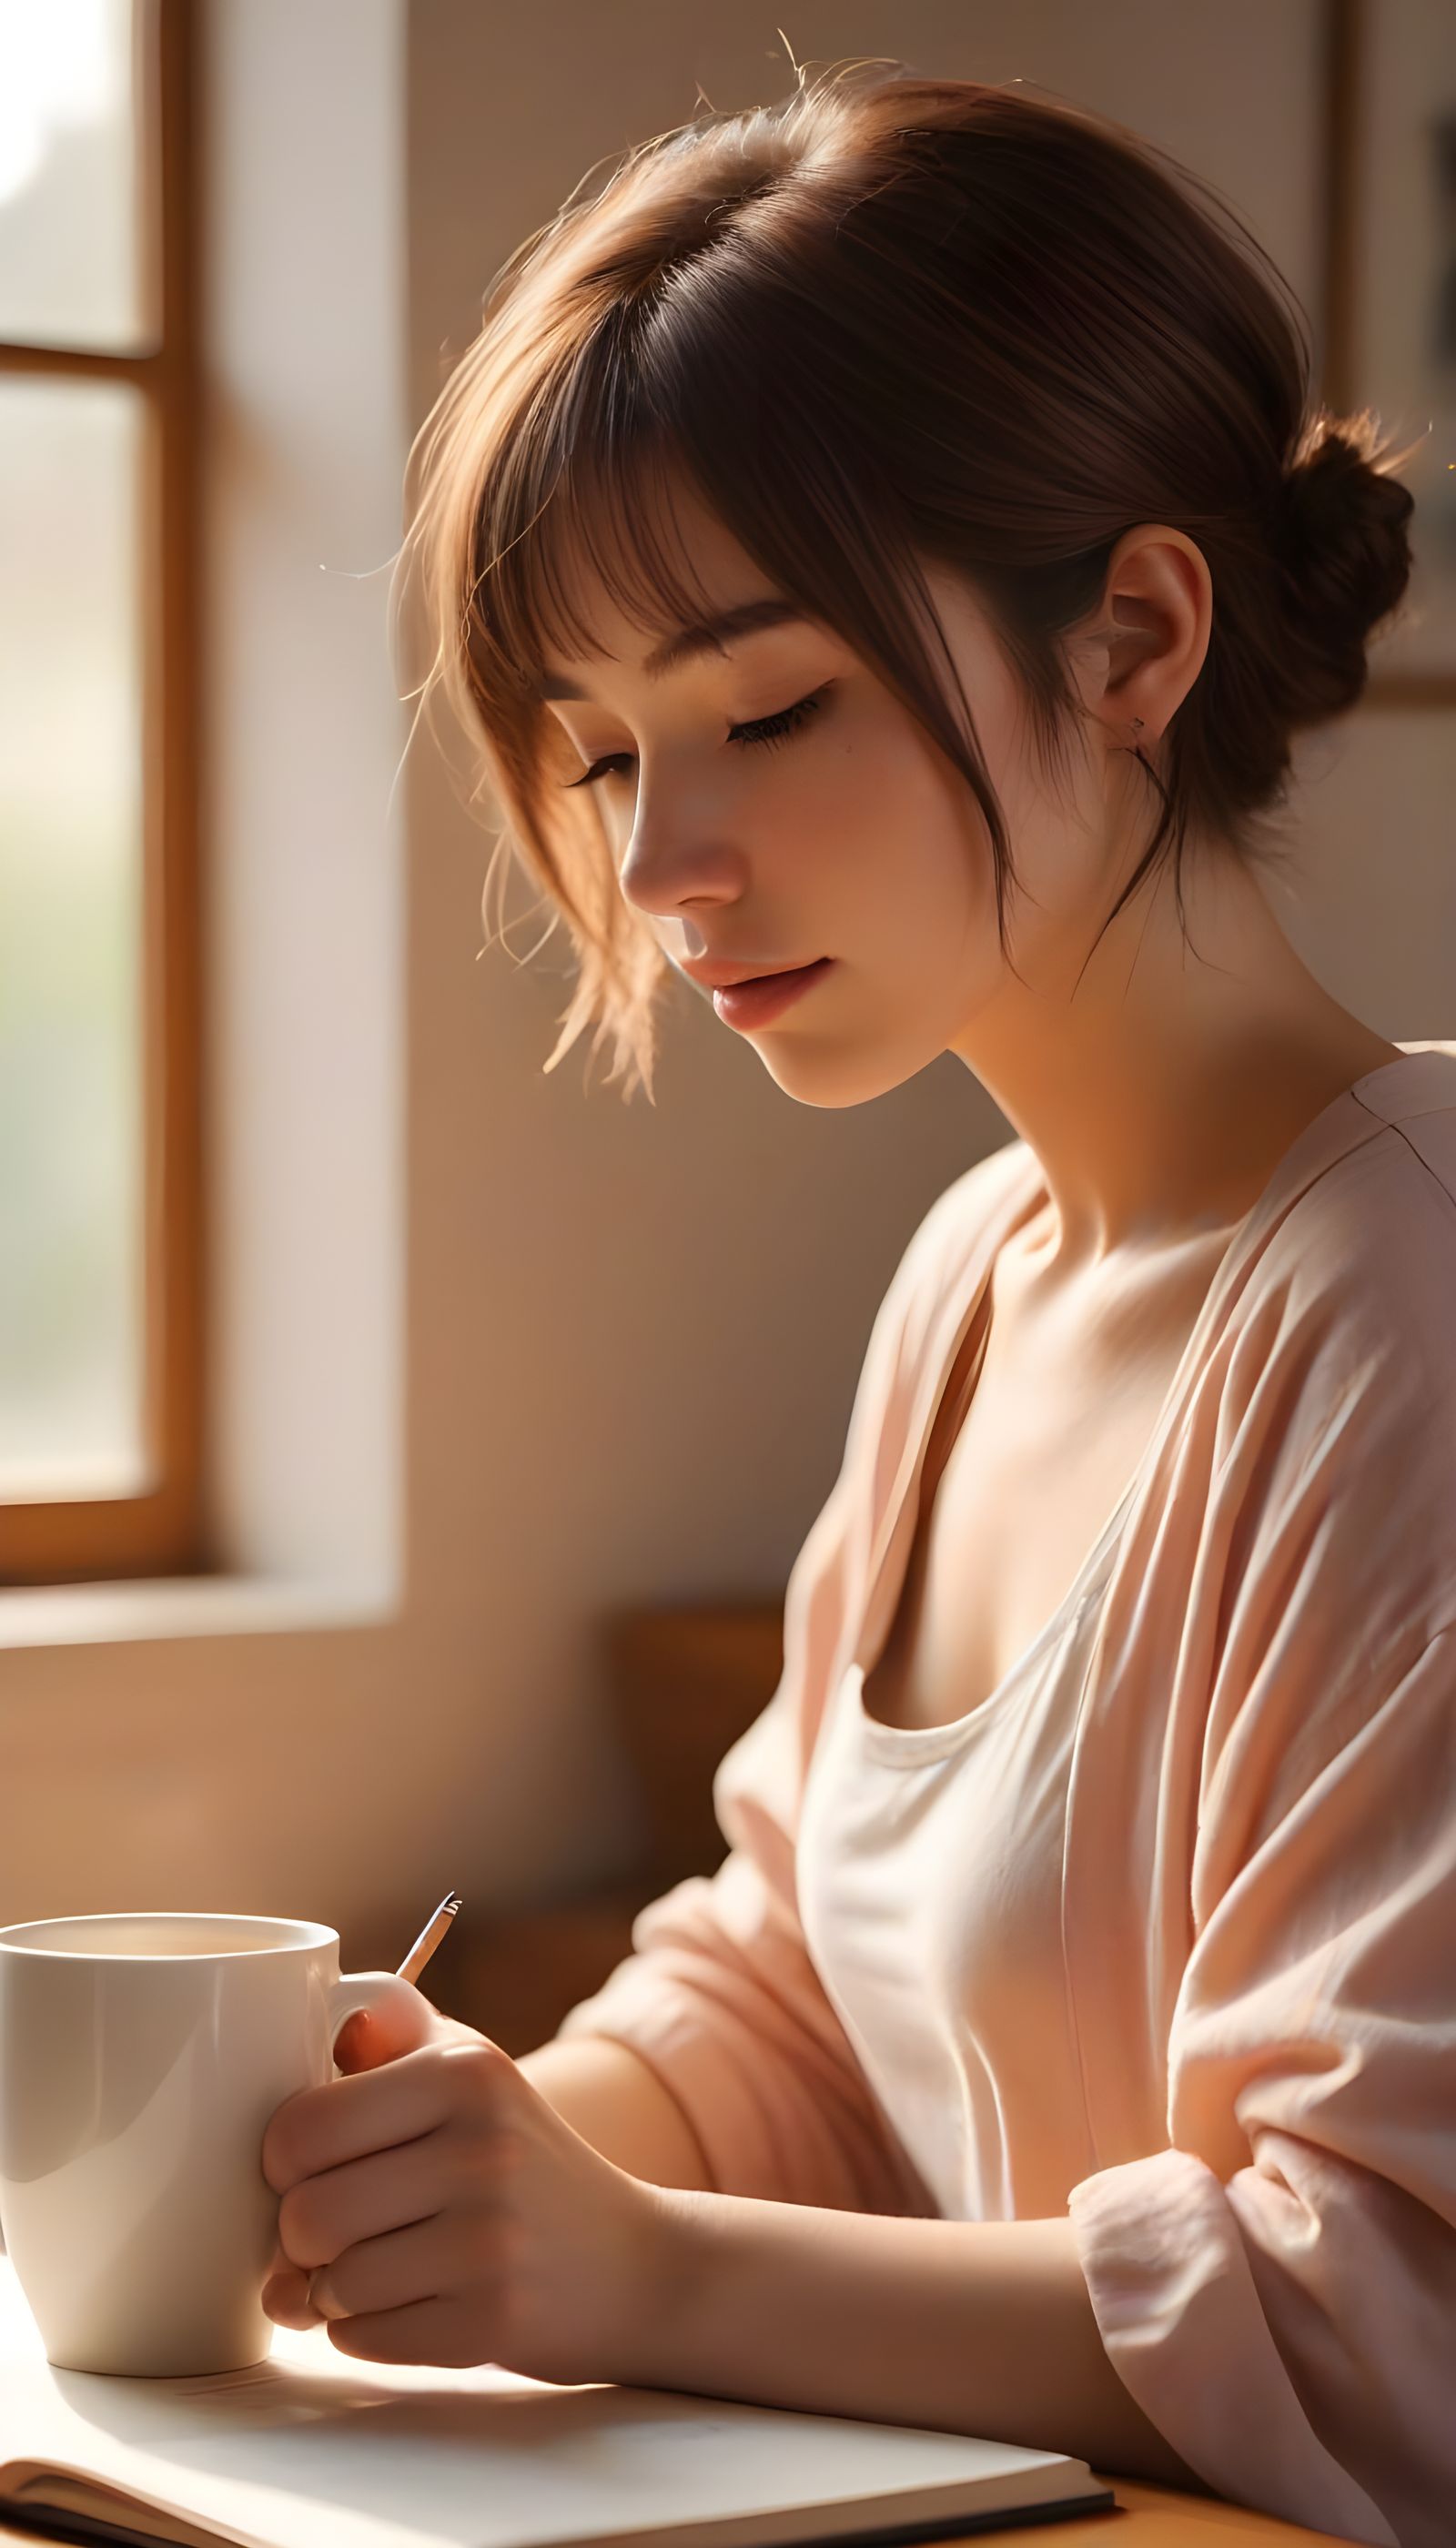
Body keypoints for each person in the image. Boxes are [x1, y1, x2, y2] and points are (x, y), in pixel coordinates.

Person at [258, 63, 1453, 2548]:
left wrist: (642, 2275)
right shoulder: (974, 1285)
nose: (669, 858)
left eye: (766, 708)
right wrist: (441, 2174)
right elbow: (792, 1997)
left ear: (1136, 633)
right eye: (601, 754)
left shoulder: (1408, 1294)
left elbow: (1392, 2322)